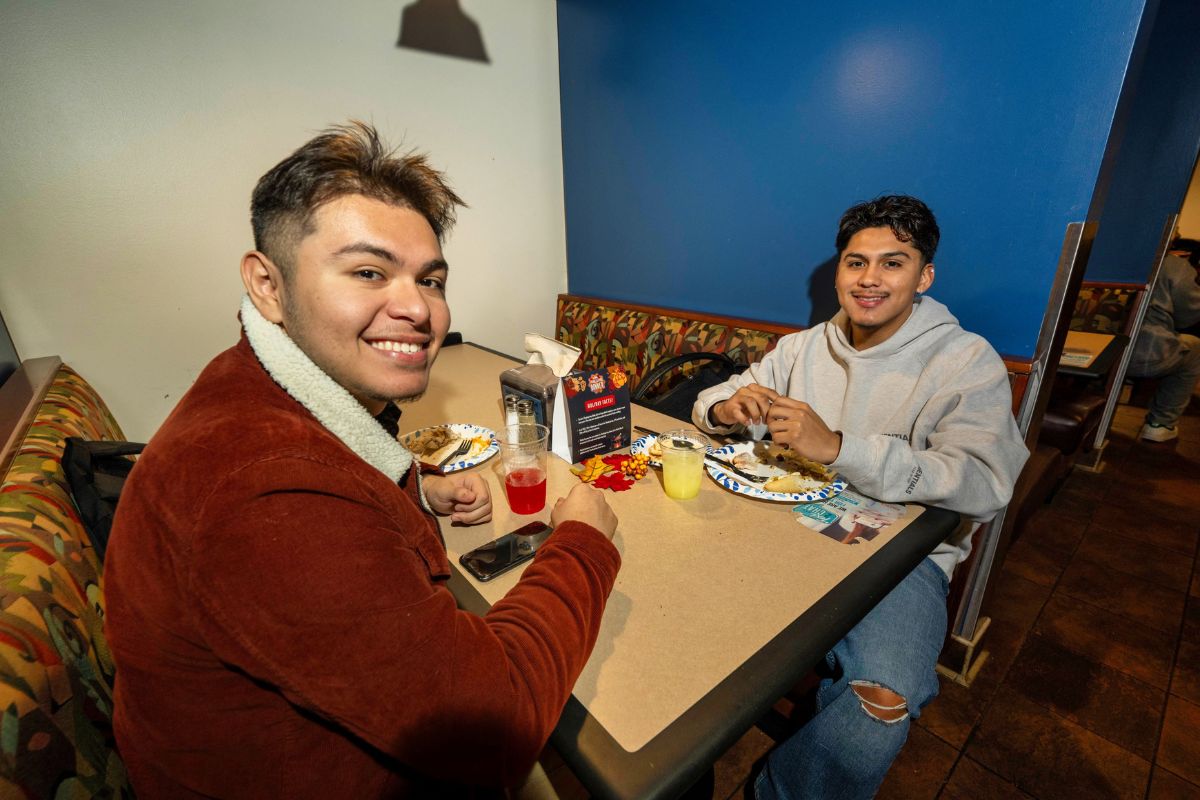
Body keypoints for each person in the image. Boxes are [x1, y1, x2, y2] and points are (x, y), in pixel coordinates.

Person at [104, 121, 621, 798]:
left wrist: (417, 488)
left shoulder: (254, 391)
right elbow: (499, 720)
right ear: (267, 283)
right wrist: (583, 540)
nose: (418, 308)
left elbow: (336, 470)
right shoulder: (264, 495)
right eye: (369, 272)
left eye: (430, 280)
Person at [692, 195, 1028, 800]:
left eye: (892, 263)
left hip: (899, 557)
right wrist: (724, 408)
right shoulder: (802, 348)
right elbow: (713, 400)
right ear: (839, 270)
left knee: (881, 705)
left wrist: (840, 447)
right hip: (779, 524)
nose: (869, 279)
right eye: (855, 262)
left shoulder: (965, 361)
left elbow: (985, 481)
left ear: (924, 276)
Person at [1126, 252, 1200, 442]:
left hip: (1085, 348)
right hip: (1143, 353)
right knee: (1195, 349)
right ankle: (1160, 423)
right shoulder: (1172, 264)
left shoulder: (1094, 249)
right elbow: (1189, 315)